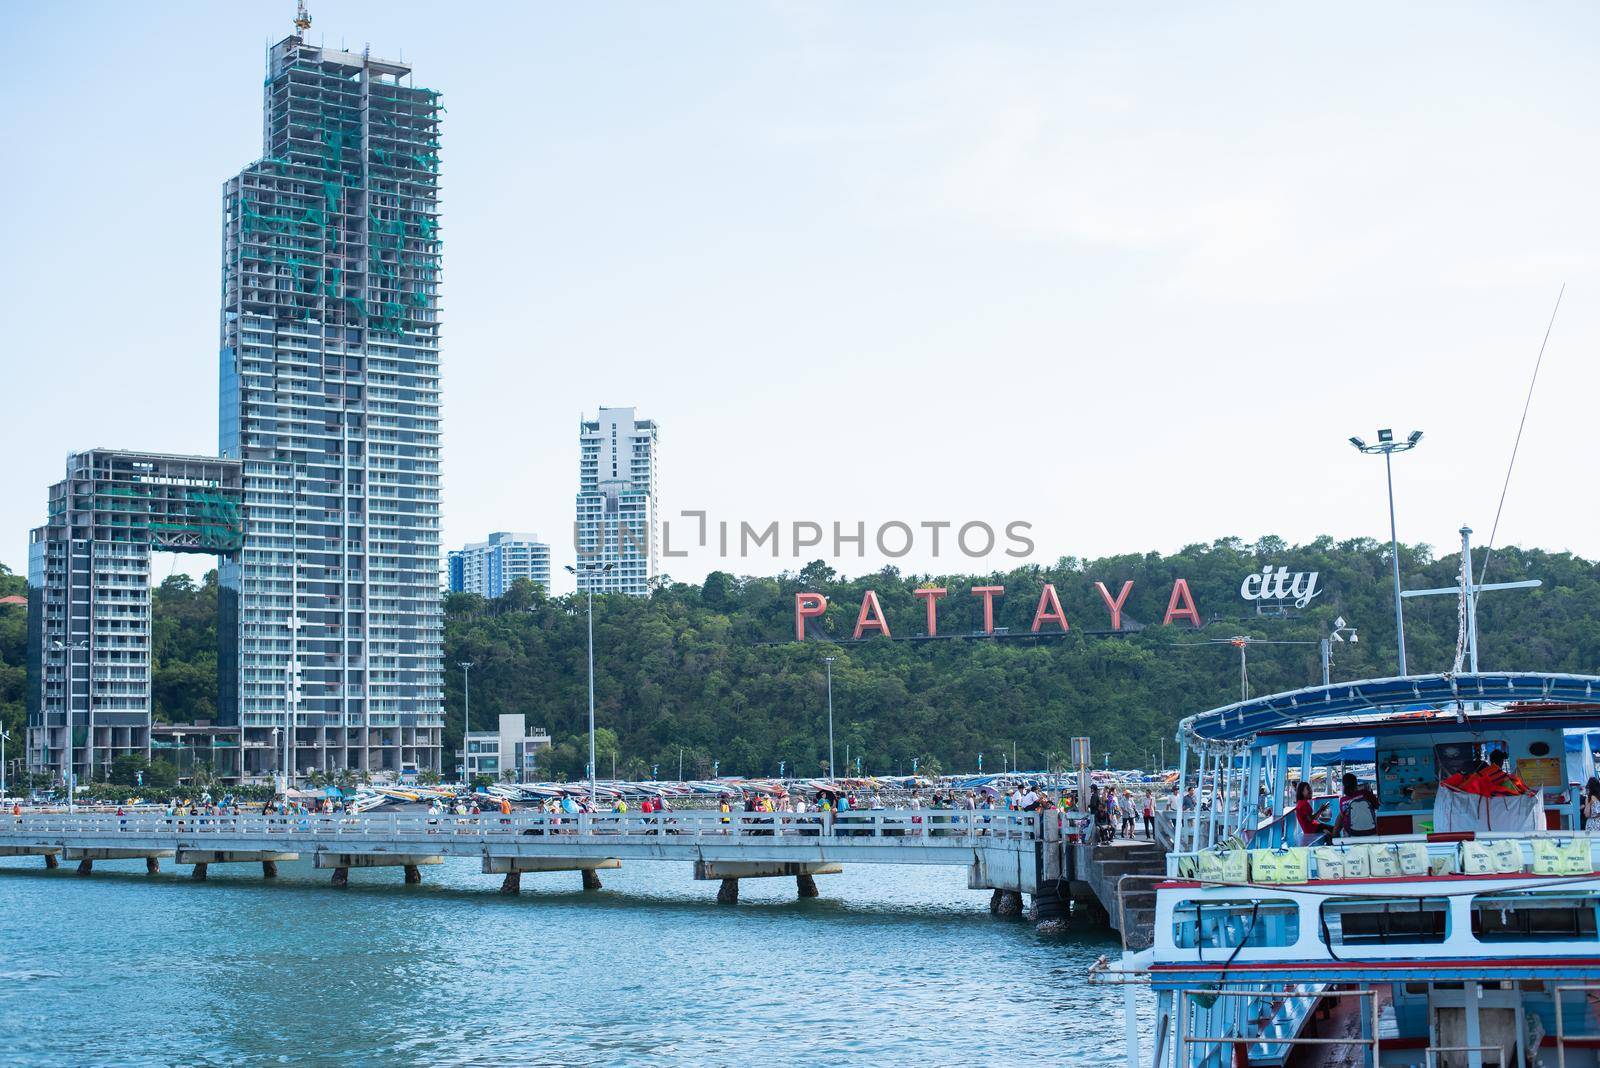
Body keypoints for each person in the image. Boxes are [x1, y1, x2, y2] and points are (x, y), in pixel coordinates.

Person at [1336, 772, 1380, 837]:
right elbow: (1377, 806)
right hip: (1371, 829)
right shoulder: (1366, 794)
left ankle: (1334, 837)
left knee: (1340, 816)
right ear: (1356, 783)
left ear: (1344, 785)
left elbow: (1342, 816)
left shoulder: (1342, 801)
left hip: (1352, 832)